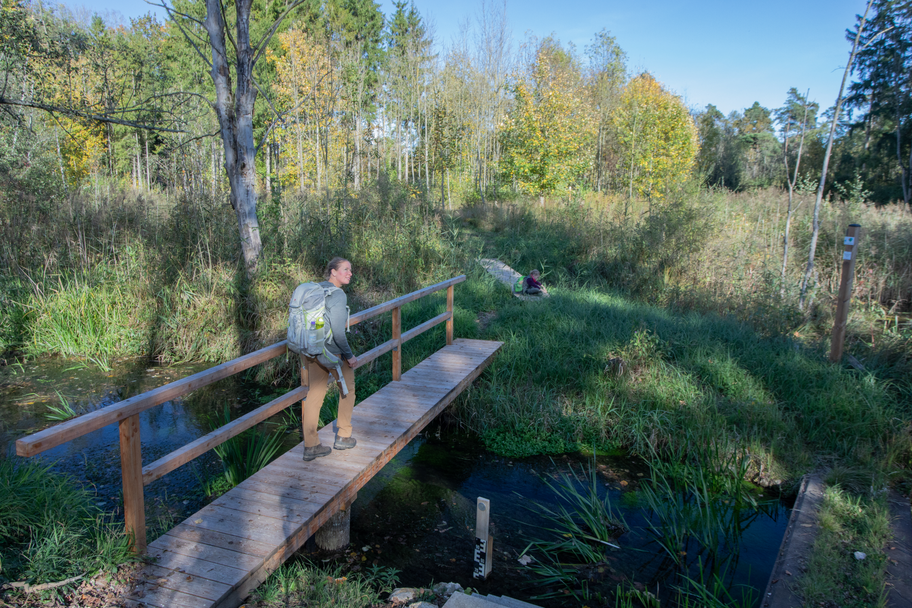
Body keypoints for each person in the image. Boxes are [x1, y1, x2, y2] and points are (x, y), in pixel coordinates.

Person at [300, 257, 359, 461]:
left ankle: (311, 445)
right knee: (348, 389)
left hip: (313, 350)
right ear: (333, 272)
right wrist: (349, 356)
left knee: (314, 396)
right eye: (345, 269)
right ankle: (343, 435)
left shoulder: (315, 290)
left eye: (350, 270)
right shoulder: (338, 295)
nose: (349, 273)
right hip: (333, 353)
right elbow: (338, 332)